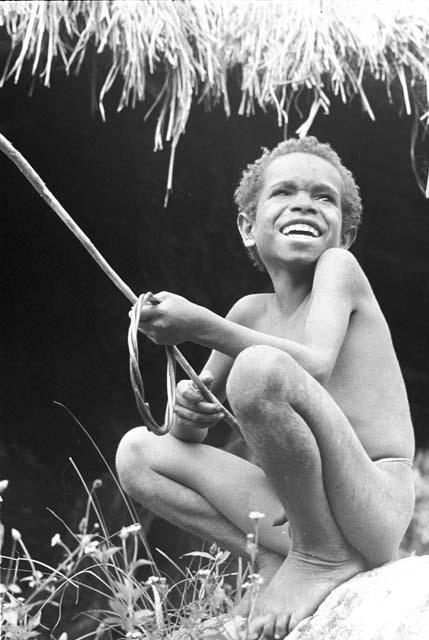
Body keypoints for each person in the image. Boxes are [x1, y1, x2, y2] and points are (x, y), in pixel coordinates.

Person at [115, 136, 415, 639]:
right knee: (138, 454)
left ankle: (322, 554)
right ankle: (279, 554)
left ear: (347, 232)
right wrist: (189, 409)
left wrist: (200, 324)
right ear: (247, 228)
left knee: (257, 370)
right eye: (285, 193)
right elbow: (189, 434)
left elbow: (313, 365)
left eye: (324, 197)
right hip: (297, 506)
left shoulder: (338, 271)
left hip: (371, 498)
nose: (304, 203)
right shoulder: (248, 314)